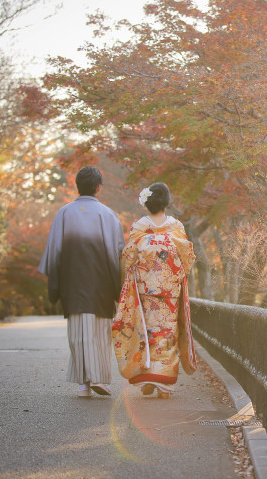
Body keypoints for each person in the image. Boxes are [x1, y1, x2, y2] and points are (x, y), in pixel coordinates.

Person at [38, 166, 125, 398]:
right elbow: (118, 254)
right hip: (102, 284)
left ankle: (84, 384)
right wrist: (120, 288)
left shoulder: (64, 213)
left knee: (78, 334)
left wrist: (56, 286)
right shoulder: (108, 215)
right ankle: (100, 379)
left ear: (77, 186)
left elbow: (54, 252)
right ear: (98, 187)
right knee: (99, 333)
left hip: (72, 284)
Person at [112, 182, 197, 399]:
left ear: (146, 203)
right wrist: (174, 274)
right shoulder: (176, 226)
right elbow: (187, 257)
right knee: (167, 333)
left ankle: (149, 379)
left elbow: (127, 258)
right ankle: (164, 386)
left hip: (145, 291)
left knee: (146, 333)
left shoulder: (140, 227)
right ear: (167, 202)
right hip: (170, 291)